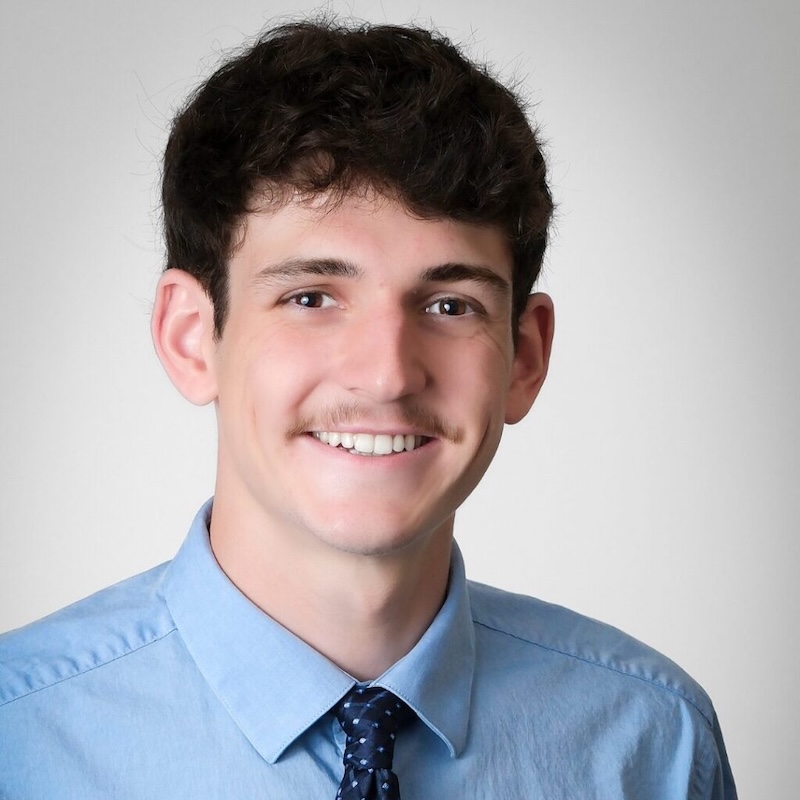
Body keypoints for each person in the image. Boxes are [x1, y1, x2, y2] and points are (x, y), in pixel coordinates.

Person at [0, 19, 736, 799]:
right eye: (310, 296)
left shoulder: (654, 744)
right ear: (192, 339)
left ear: (525, 356)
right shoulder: (21, 738)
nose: (387, 375)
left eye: (450, 305)